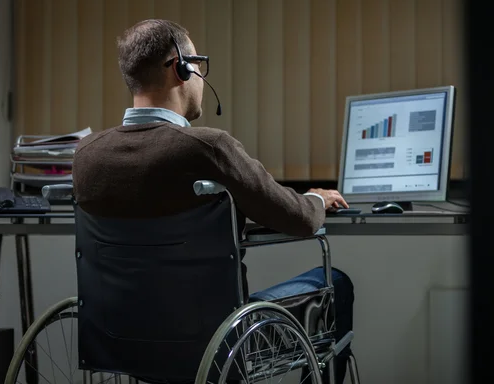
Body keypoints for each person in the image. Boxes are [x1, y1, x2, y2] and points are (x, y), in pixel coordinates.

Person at [72, 19, 354, 383]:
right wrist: (315, 198)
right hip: (216, 341)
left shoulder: (86, 155)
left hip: (121, 338)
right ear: (181, 69)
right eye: (198, 66)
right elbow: (298, 218)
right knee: (336, 281)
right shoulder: (207, 147)